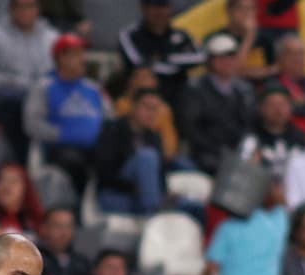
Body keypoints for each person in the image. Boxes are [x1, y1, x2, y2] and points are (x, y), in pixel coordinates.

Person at [0, 0, 58, 164]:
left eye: (29, 6)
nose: (24, 11)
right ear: (10, 9)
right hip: (5, 98)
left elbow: (57, 73)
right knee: (17, 104)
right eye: (19, 6)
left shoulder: (51, 37)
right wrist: (12, 81)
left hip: (43, 96)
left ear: (38, 9)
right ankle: (19, 162)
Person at [24, 33, 110, 196]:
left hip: (95, 146)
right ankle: (73, 212)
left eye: (82, 53)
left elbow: (109, 118)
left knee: (112, 159)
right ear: (61, 58)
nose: (82, 58)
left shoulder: (93, 88)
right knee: (73, 162)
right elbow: (32, 124)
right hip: (61, 147)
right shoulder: (44, 87)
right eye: (76, 53)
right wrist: (63, 134)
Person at [178, 32, 253, 176]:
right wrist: (217, 151)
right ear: (210, 61)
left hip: (235, 155)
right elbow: (190, 128)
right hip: (204, 155)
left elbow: (248, 125)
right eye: (221, 58)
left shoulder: (244, 90)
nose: (227, 62)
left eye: (231, 57)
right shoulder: (195, 88)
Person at [117, 0, 204, 110]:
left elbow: (200, 56)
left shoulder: (181, 34)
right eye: (154, 6)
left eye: (163, 6)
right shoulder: (130, 35)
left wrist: (165, 59)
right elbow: (139, 63)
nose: (159, 12)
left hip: (179, 101)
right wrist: (177, 65)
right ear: (144, 8)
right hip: (142, 103)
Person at [94, 87, 165, 215]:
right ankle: (153, 212)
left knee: (189, 205)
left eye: (155, 109)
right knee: (147, 156)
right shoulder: (112, 129)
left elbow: (160, 174)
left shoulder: (154, 137)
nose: (151, 113)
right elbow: (105, 172)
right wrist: (138, 186)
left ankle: (152, 210)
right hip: (115, 194)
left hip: (142, 199)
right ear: (133, 106)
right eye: (146, 107)